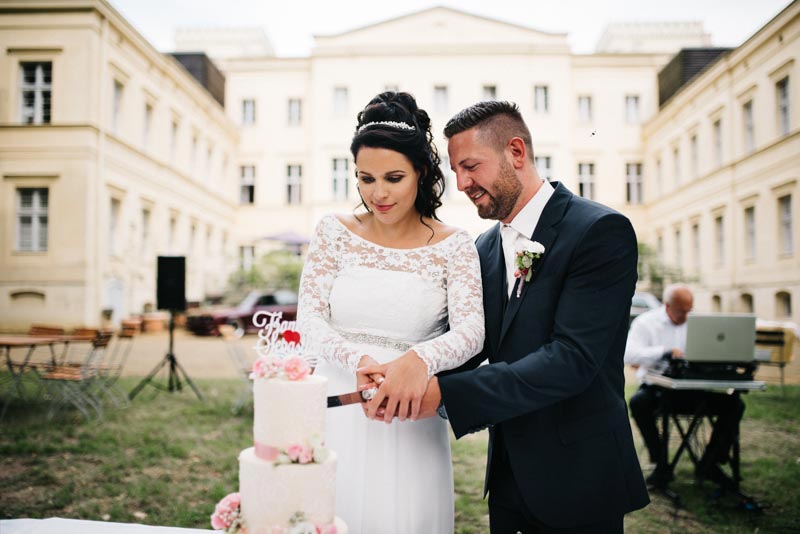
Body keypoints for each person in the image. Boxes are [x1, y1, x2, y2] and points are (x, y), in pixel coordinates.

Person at [361, 100, 650, 533]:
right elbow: (472, 342)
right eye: (456, 170)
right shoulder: (483, 248)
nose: (461, 183)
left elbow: (572, 359)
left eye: (471, 166)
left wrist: (445, 393)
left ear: (516, 152)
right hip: (510, 475)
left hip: (580, 474)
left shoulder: (599, 231)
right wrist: (404, 371)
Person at [296, 91, 485, 534]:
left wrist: (418, 361)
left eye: (394, 177)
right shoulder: (333, 232)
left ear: (421, 171)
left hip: (408, 409)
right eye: (365, 178)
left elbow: (473, 331)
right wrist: (357, 361)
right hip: (336, 401)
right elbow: (309, 318)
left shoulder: (454, 245)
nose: (377, 193)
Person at [625, 284, 746, 489]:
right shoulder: (646, 323)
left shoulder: (698, 324)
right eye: (681, 310)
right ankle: (660, 463)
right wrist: (664, 352)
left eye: (689, 310)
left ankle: (710, 463)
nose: (686, 315)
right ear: (667, 305)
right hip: (657, 390)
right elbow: (629, 354)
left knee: (735, 405)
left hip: (693, 391)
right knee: (638, 403)